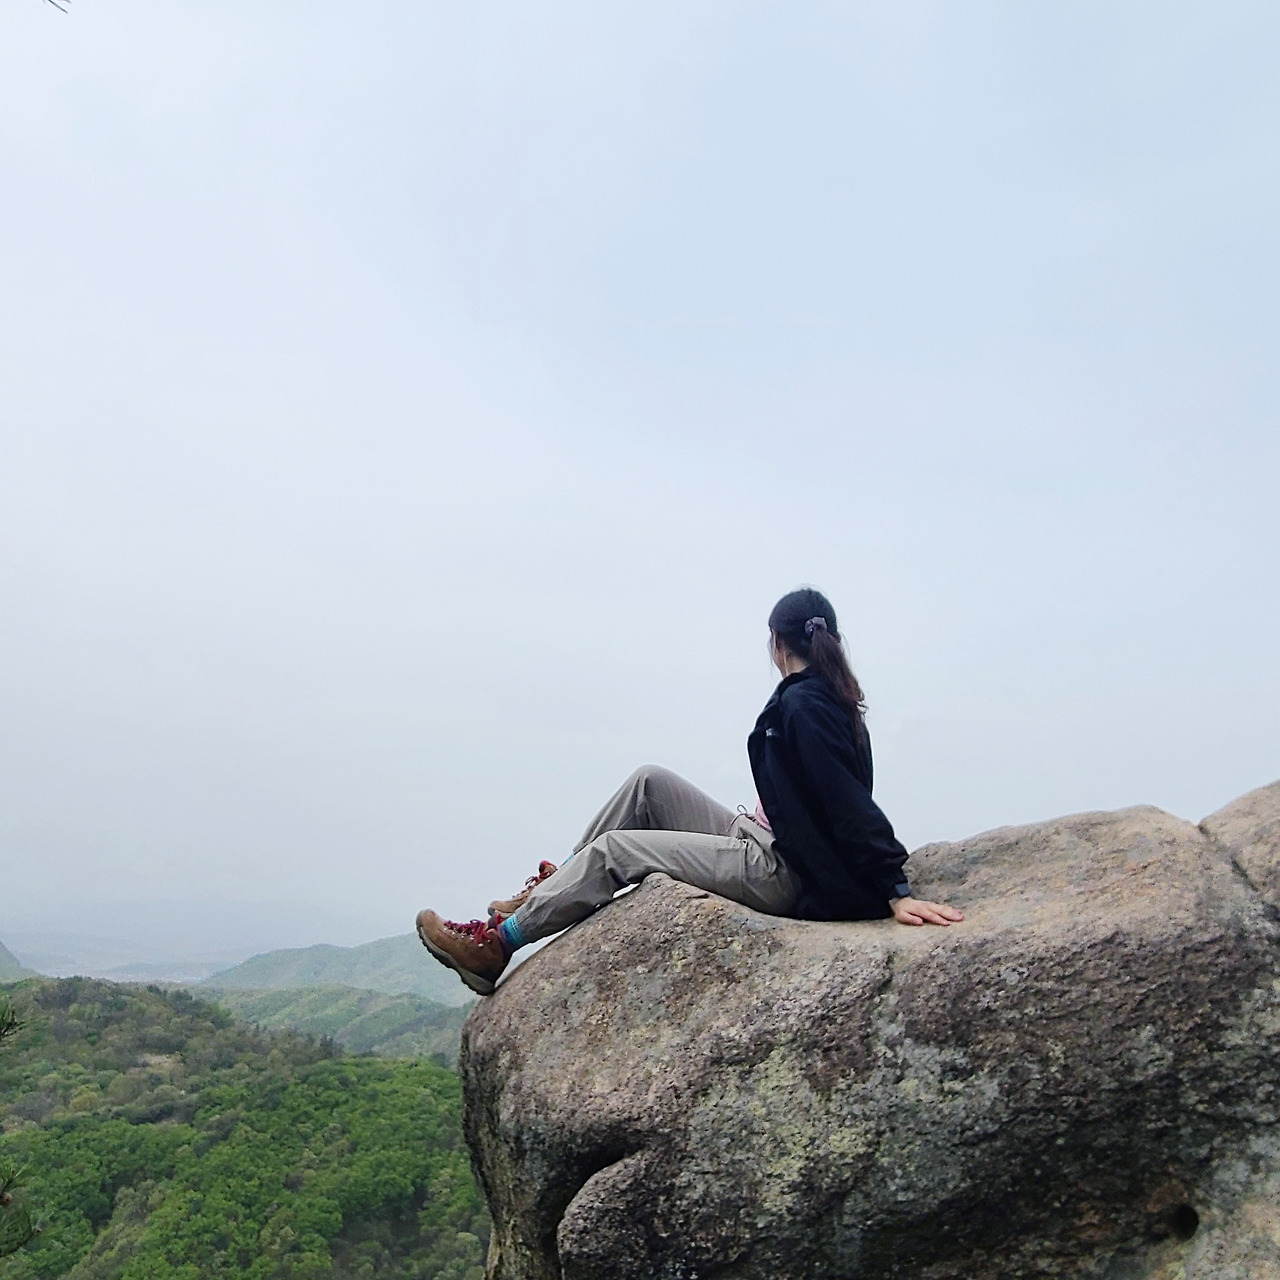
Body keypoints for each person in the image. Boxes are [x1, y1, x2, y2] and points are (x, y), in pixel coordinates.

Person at [416, 587, 963, 995]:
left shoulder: (804, 706)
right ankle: (552, 886)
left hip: (783, 872)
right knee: (649, 782)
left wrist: (894, 889)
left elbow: (849, 804)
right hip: (768, 841)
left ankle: (499, 945)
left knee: (616, 851)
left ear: (776, 642)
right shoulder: (823, 697)